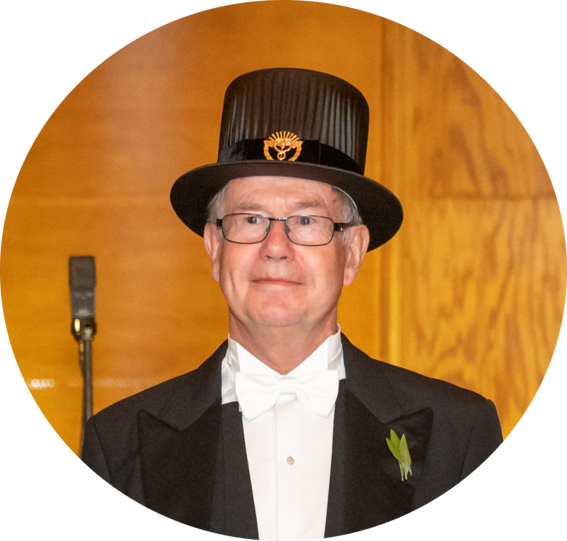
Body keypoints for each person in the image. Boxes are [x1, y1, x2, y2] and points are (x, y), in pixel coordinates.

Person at [81, 68, 503, 538]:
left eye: (305, 221)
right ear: (215, 248)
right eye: (251, 219)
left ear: (352, 252)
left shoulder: (459, 436)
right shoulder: (118, 448)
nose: (276, 247)